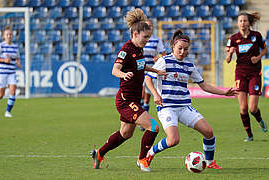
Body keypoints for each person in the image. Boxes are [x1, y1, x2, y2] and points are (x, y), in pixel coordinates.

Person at [144, 29, 237, 170]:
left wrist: (224, 93)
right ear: (173, 47)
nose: (182, 51)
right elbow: (148, 79)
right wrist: (156, 95)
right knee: (173, 140)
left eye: (185, 49)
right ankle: (149, 153)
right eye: (179, 48)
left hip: (184, 107)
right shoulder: (164, 61)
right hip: (167, 107)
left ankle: (210, 162)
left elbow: (204, 86)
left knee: (208, 132)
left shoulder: (189, 66)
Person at [90, 8, 166, 172]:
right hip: (126, 101)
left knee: (125, 133)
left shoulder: (139, 49)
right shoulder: (126, 50)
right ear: (135, 34)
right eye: (145, 37)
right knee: (153, 127)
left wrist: (155, 71)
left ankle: (99, 153)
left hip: (133, 99)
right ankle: (142, 160)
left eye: (148, 37)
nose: (147, 40)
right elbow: (114, 69)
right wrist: (123, 74)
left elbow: (140, 66)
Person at [225, 12, 268, 142]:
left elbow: (265, 49)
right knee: (243, 108)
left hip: (255, 73)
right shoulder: (233, 39)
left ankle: (259, 120)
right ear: (238, 23)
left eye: (245, 21)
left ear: (249, 23)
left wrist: (259, 57)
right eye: (240, 21)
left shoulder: (257, 36)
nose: (242, 23)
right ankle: (249, 135)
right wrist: (230, 54)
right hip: (240, 74)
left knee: (252, 108)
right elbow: (227, 60)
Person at [138, 19, 166, 131]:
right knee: (142, 94)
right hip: (140, 69)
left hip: (152, 70)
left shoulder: (156, 40)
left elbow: (163, 54)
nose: (149, 28)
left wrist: (158, 58)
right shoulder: (140, 39)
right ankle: (142, 117)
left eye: (150, 26)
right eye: (147, 26)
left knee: (148, 94)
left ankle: (144, 119)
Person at [0, 26, 21, 118]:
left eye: (10, 34)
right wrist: (3, 60)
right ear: (4, 36)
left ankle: (8, 112)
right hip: (2, 72)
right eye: (7, 34)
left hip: (11, 72)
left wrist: (18, 63)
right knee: (0, 95)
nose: (9, 36)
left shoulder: (15, 47)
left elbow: (17, 57)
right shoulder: (0, 46)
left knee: (13, 90)